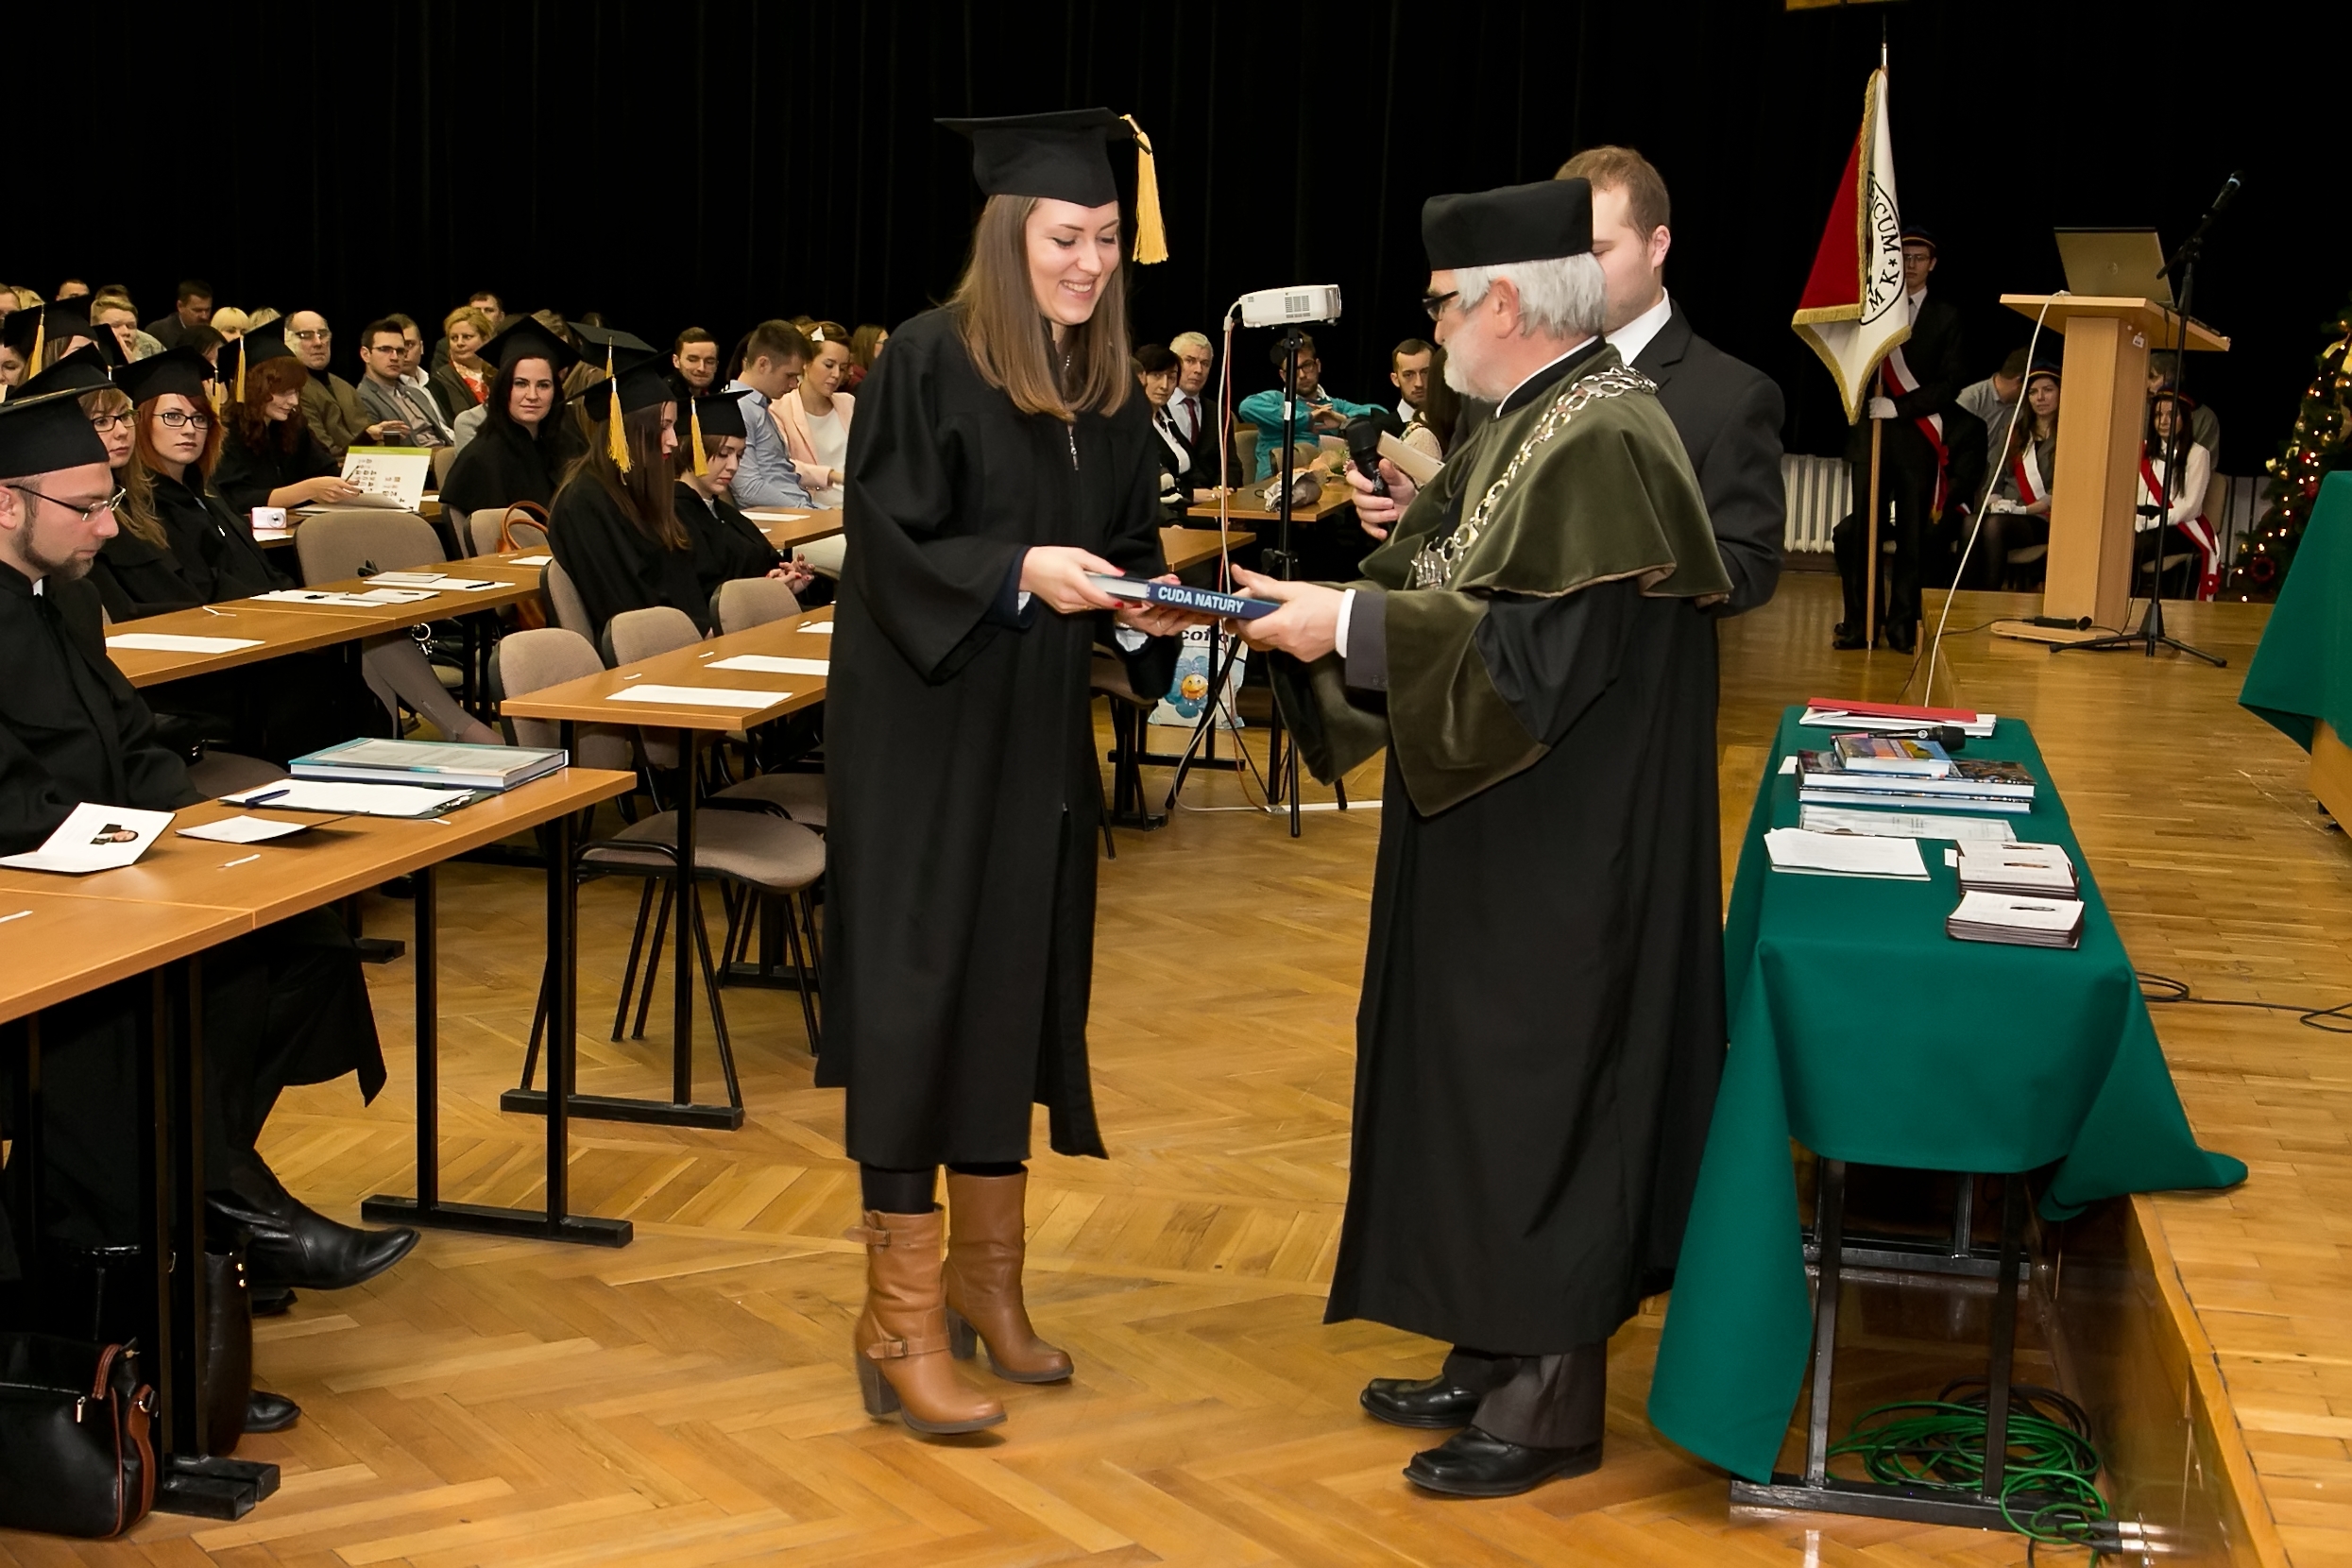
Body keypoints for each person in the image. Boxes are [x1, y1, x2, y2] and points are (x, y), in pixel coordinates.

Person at [1242, 177, 1729, 1500]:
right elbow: (1430, 578)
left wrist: (1340, 628)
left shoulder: (1601, 434)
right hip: (1493, 825)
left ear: (1505, 301)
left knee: (1539, 1096)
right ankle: (1490, 1341)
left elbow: (1534, 660)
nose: (1435, 325)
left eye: (1444, 302)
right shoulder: (1531, 413)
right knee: (1467, 1087)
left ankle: (1549, 1401)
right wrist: (1298, 606)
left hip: (1563, 850)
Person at [821, 108, 1188, 1440]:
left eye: (1106, 238)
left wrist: (1146, 604)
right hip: (923, 732)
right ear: (1007, 234)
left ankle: (988, 1283)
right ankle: (898, 1320)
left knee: (1009, 986)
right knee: (917, 999)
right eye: (1064, 237)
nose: (1089, 262)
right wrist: (1017, 572)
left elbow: (1127, 540)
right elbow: (887, 540)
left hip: (1033, 729)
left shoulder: (1106, 386)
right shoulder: (928, 358)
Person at [0, 386, 418, 1318]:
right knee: (135, 1007)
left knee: (300, 947)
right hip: (29, 899)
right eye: (86, 507)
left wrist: (195, 830)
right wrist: (128, 846)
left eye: (110, 501)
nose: (109, 528)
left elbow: (134, 739)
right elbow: (13, 802)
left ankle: (204, 1205)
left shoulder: (65, 600)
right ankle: (220, 1221)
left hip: (109, 869)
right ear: (5, 503)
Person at [1832, 225, 1961, 652]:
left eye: (1919, 258)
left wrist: (1901, 408)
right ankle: (1861, 623)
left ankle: (1903, 625)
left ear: (1933, 264)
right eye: (1904, 257)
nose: (1911, 265)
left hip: (1915, 438)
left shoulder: (1946, 316)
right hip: (1870, 435)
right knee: (1862, 533)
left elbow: (1949, 383)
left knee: (1911, 537)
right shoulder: (1872, 311)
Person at [546, 330, 705, 639]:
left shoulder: (640, 489)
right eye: (663, 427)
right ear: (629, 430)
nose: (673, 440)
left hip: (685, 638)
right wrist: (701, 632)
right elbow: (624, 605)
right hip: (645, 648)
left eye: (674, 426)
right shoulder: (584, 502)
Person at [673, 385, 818, 602]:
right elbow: (705, 594)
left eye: (739, 455)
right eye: (724, 454)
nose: (733, 466)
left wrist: (785, 580)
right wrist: (764, 590)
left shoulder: (726, 513)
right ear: (692, 450)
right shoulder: (673, 517)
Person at [439, 315, 584, 523]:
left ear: (555, 391)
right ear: (503, 388)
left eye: (543, 385)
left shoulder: (569, 444)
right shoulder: (481, 459)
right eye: (520, 384)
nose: (532, 395)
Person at [213, 325, 365, 515]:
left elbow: (327, 470)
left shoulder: (291, 426)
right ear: (254, 389)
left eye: (296, 391)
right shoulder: (224, 432)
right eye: (283, 392)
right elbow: (237, 499)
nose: (293, 401)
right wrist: (308, 490)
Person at [1236, 332, 1380, 478]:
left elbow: (1379, 413)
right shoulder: (1275, 399)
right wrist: (1307, 418)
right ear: (1283, 375)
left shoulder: (1332, 406)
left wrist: (1343, 419)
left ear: (1318, 366)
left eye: (1306, 365)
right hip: (1277, 481)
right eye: (1292, 369)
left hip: (1324, 480)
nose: (1302, 375)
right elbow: (1246, 407)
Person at [1980, 360, 2058, 588]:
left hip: (2044, 518)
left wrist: (2023, 510)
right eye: (2033, 392)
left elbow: (2063, 490)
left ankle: (1988, 596)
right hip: (2007, 513)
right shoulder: (2014, 433)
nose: (2040, 398)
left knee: (1995, 526)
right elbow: (1993, 480)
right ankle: (1965, 597)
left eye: (2047, 390)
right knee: (1971, 523)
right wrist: (1996, 502)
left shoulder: (2070, 434)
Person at [724, 320, 817, 509]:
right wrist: (806, 512)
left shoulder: (755, 406)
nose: (794, 385)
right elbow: (748, 488)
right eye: (789, 375)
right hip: (781, 517)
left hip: (793, 510)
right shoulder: (738, 408)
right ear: (763, 364)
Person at [2138, 389, 2220, 600]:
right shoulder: (2142, 451)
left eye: (2171, 415)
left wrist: (2153, 522)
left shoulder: (2198, 454)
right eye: (2158, 415)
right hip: (2143, 522)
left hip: (2180, 527)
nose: (2163, 421)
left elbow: (2190, 507)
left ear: (2185, 418)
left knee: (2131, 551)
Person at [775, 320, 857, 508]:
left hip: (854, 505)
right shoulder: (779, 408)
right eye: (829, 365)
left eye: (842, 368)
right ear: (806, 362)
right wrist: (832, 476)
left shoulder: (848, 403)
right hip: (811, 508)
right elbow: (781, 466)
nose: (836, 374)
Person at [286, 311, 383, 459]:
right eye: (306, 335)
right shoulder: (291, 390)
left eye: (323, 334)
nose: (318, 342)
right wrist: (367, 438)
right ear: (287, 341)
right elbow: (323, 453)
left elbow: (370, 438)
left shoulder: (345, 387)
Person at [352, 316, 453, 447]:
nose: (395, 357)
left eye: (400, 351)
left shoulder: (415, 393)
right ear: (366, 354)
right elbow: (374, 449)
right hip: (416, 457)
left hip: (445, 450)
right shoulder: (362, 397)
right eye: (385, 349)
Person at [1959, 348, 2027, 475]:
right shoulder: (1970, 400)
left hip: (1997, 476)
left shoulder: (2023, 407)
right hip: (1965, 473)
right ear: (2019, 380)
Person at [432, 305, 495, 418]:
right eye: (454, 338)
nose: (459, 343)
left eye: (467, 337)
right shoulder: (443, 378)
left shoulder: (498, 370)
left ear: (485, 340)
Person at [144, 277, 213, 349]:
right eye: (197, 310)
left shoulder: (213, 330)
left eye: (207, 310)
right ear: (180, 306)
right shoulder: (158, 332)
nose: (204, 316)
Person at [90, 294, 161, 362]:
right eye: (116, 326)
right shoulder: (85, 363)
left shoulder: (153, 350)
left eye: (131, 326)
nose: (126, 332)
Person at [1390, 337, 1432, 424]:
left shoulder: (1455, 424)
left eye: (1425, 373)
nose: (1419, 383)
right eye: (1408, 375)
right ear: (1395, 380)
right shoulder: (1379, 430)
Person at [672, 327, 720, 395]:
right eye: (693, 360)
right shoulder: (664, 396)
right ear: (676, 361)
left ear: (716, 366)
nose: (701, 368)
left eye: (709, 362)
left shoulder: (715, 395)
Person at [844, 322, 888, 393]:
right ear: (866, 345)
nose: (888, 346)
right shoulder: (854, 380)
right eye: (884, 342)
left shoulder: (876, 375)